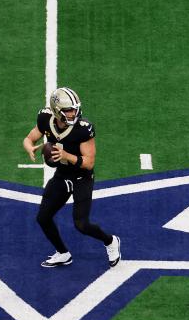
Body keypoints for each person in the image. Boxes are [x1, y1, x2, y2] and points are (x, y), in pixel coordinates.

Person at [22, 87, 120, 268]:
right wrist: (28, 146)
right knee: (43, 217)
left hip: (82, 177)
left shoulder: (83, 129)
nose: (73, 113)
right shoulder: (45, 119)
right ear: (56, 110)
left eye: (74, 109)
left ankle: (110, 241)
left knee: (81, 224)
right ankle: (63, 253)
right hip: (63, 175)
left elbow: (89, 162)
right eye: (68, 110)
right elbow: (30, 138)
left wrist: (66, 156)